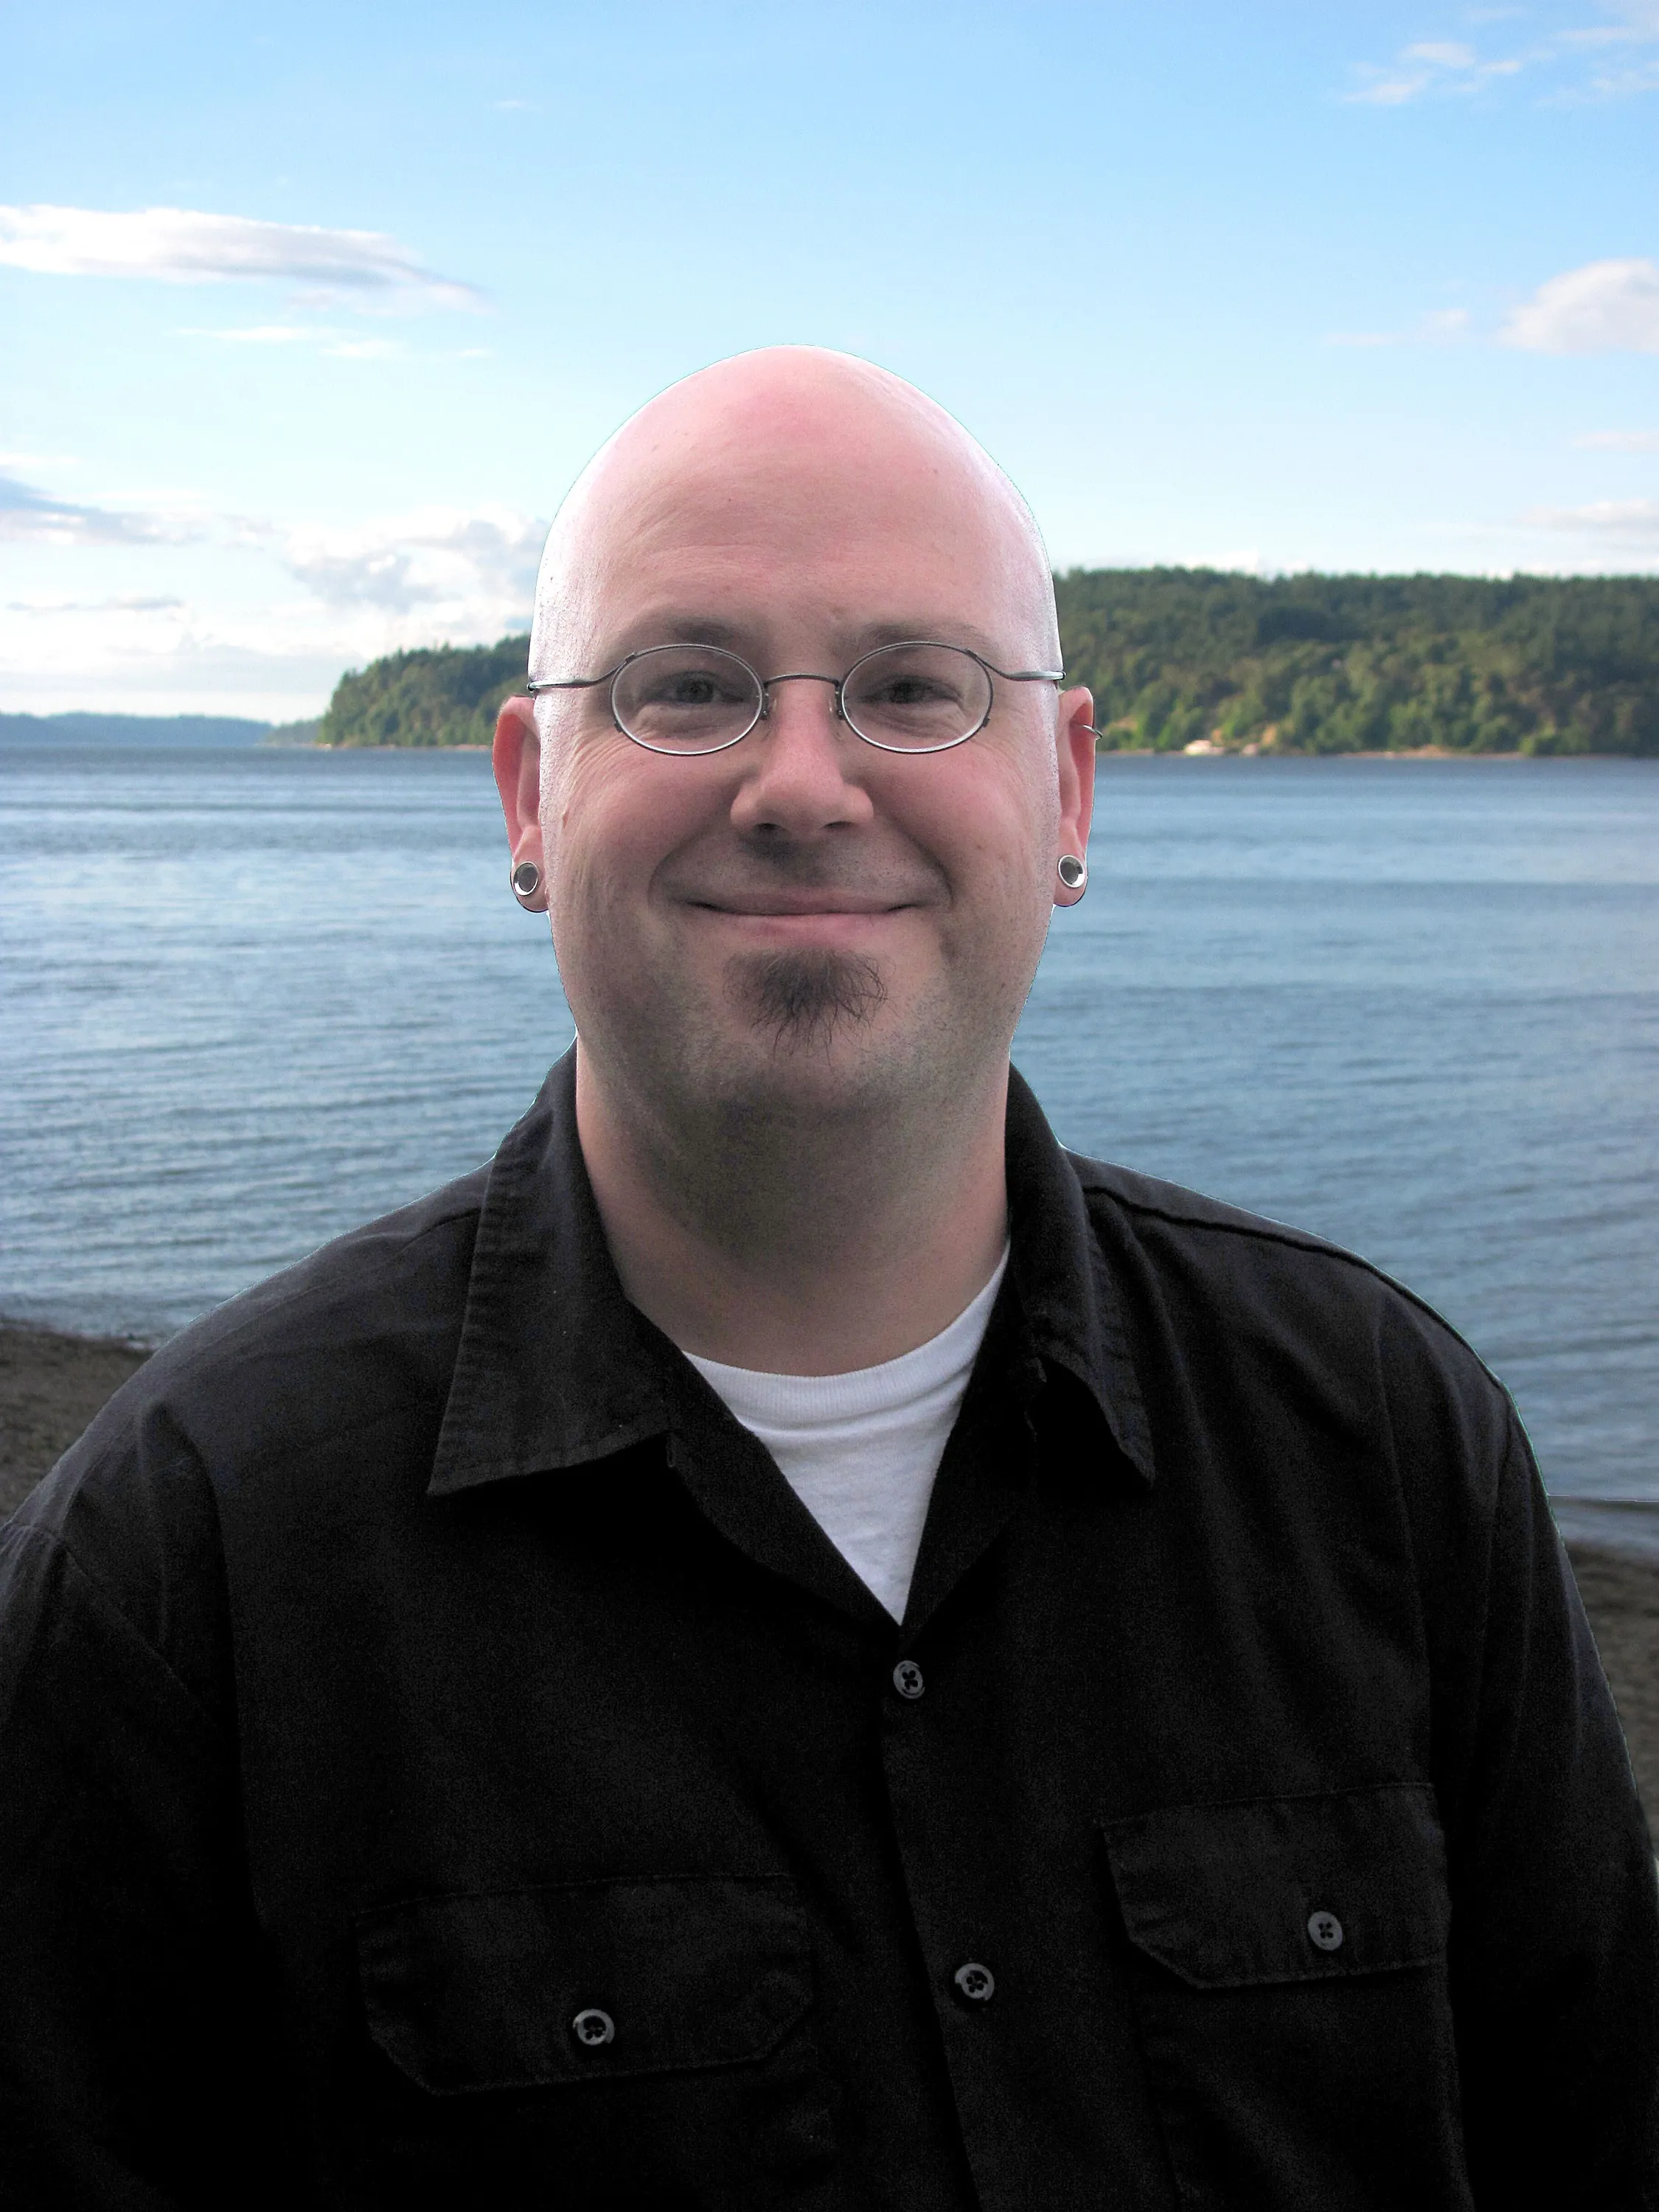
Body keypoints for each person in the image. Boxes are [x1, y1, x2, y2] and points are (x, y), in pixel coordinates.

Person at [0, 347, 1653, 2212]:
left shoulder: (1379, 1444)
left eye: (913, 690)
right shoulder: (191, 1557)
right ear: (531, 795)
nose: (803, 781)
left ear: (1069, 788)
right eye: (689, 686)